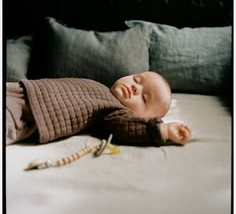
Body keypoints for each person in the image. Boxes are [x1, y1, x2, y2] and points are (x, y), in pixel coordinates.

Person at [6, 71, 191, 147]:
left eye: (143, 98)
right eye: (137, 79)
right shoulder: (100, 87)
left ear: (141, 117)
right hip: (19, 89)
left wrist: (162, 130)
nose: (135, 87)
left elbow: (129, 129)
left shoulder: (115, 111)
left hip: (26, 114)